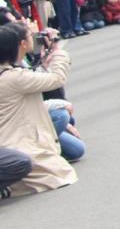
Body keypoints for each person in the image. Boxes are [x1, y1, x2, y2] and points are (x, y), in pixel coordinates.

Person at [0, 23, 77, 196]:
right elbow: (56, 79)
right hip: (16, 140)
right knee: (63, 119)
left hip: (16, 131)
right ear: (21, 44)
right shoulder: (14, 77)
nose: (34, 39)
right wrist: (57, 52)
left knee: (73, 139)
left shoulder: (11, 72)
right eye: (30, 36)